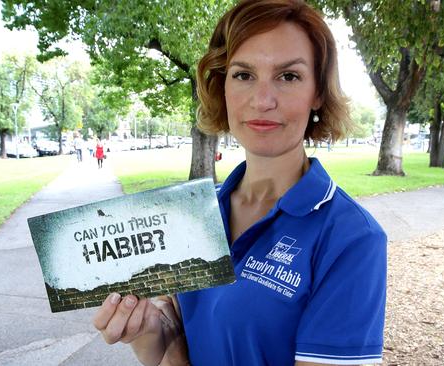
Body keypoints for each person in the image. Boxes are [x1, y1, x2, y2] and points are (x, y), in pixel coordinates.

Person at [92, 1, 387, 365]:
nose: (262, 100)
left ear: (318, 93)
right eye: (244, 75)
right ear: (223, 85)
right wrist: (153, 335)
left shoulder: (352, 238)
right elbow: (178, 342)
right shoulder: (196, 213)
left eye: (288, 76)